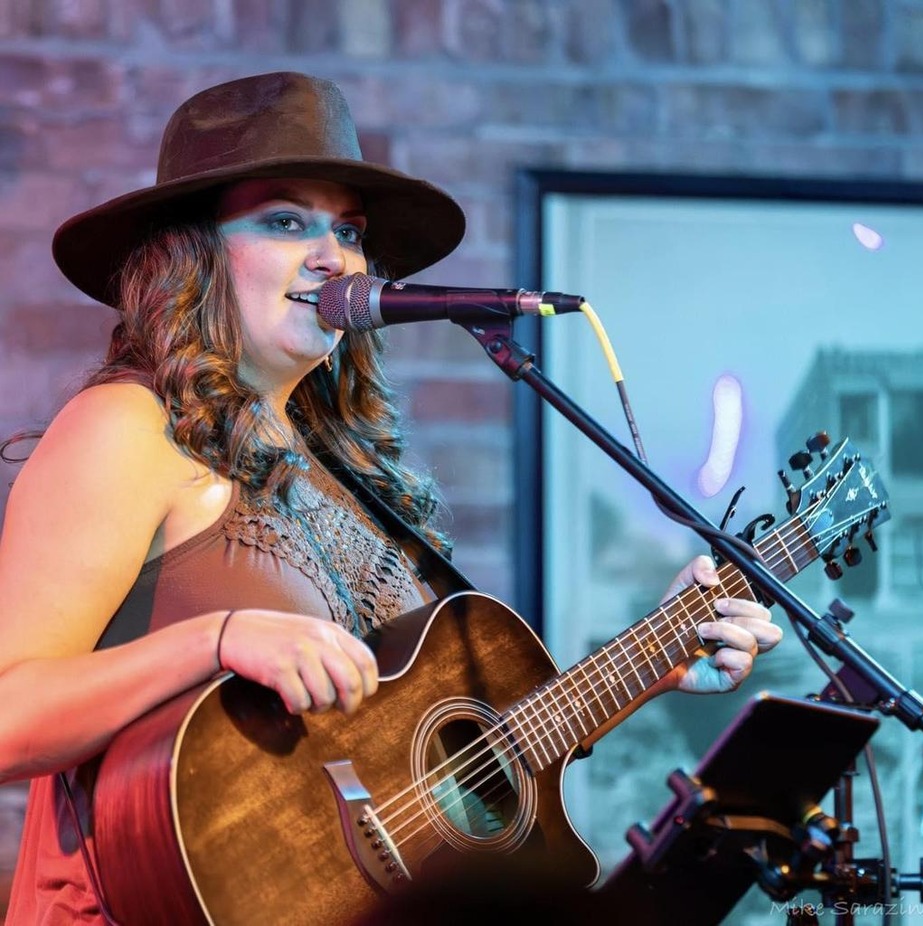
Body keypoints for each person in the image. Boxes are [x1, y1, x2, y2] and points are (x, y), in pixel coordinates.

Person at [0, 71, 782, 924]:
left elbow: (425, 775)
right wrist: (217, 638)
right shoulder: (126, 426)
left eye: (349, 232)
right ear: (191, 252)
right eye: (286, 221)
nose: (332, 257)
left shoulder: (339, 469)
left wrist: (650, 667)